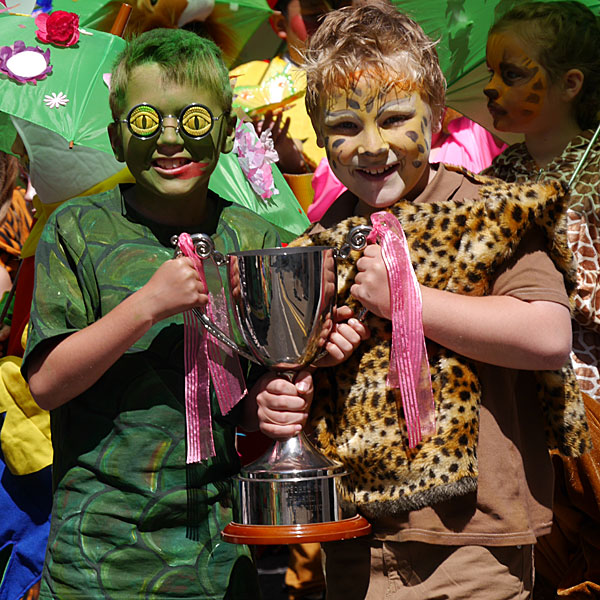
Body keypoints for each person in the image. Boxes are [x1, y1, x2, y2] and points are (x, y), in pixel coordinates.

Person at [255, 2, 591, 599]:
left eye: (394, 118)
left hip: (473, 545)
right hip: (355, 539)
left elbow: (547, 336)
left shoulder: (493, 211)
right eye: (344, 126)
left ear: (436, 118)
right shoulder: (320, 241)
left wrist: (404, 297)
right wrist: (293, 387)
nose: (372, 145)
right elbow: (295, 378)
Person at [20, 28, 299, 600]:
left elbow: (263, 385)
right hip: (96, 557)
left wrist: (272, 397)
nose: (170, 139)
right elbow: (46, 384)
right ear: (117, 138)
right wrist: (147, 305)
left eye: (193, 120)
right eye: (147, 121)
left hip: (217, 560)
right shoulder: (76, 228)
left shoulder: (258, 240)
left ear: (223, 134)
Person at [482, 2, 600, 597]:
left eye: (513, 72)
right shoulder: (499, 174)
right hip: (526, 408)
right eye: (490, 74)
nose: (492, 88)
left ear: (570, 83)